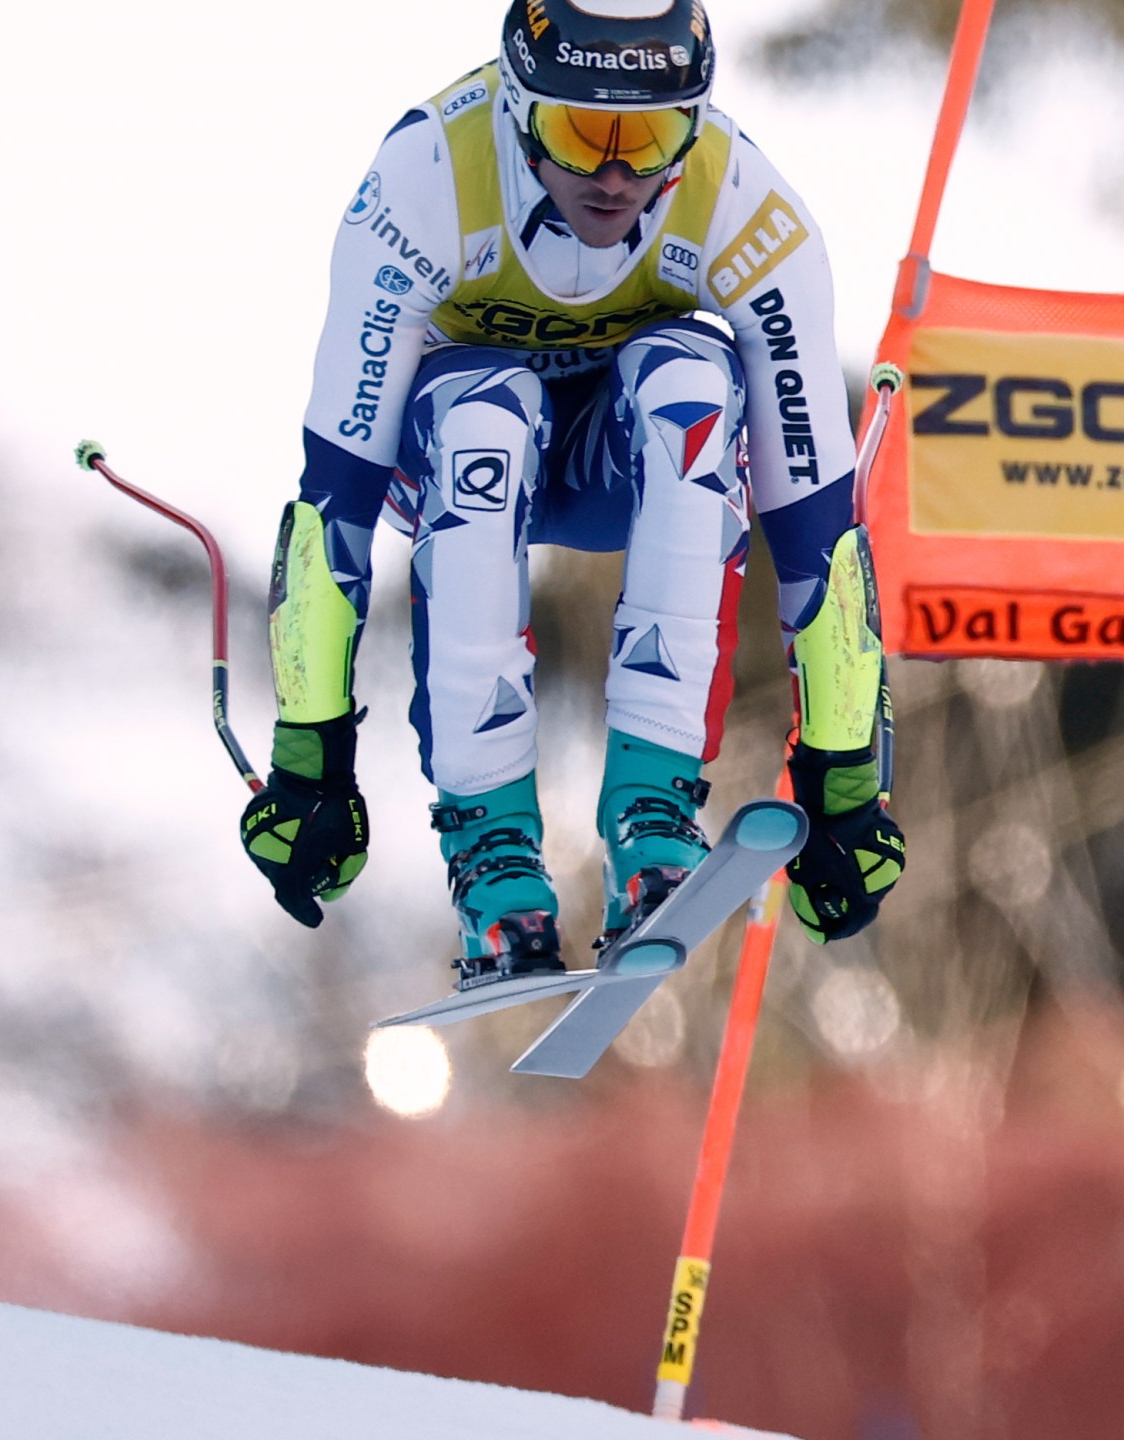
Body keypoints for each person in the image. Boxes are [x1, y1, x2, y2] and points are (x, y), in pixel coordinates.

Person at [236, 0, 905, 982]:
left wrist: (845, 775)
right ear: (516, 106)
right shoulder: (423, 185)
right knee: (484, 406)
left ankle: (652, 809)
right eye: (579, 130)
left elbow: (816, 535)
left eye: (651, 135)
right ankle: (491, 849)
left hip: (616, 462)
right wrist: (310, 752)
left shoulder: (746, 212)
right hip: (456, 456)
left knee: (692, 379)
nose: (616, 174)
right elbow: (332, 511)